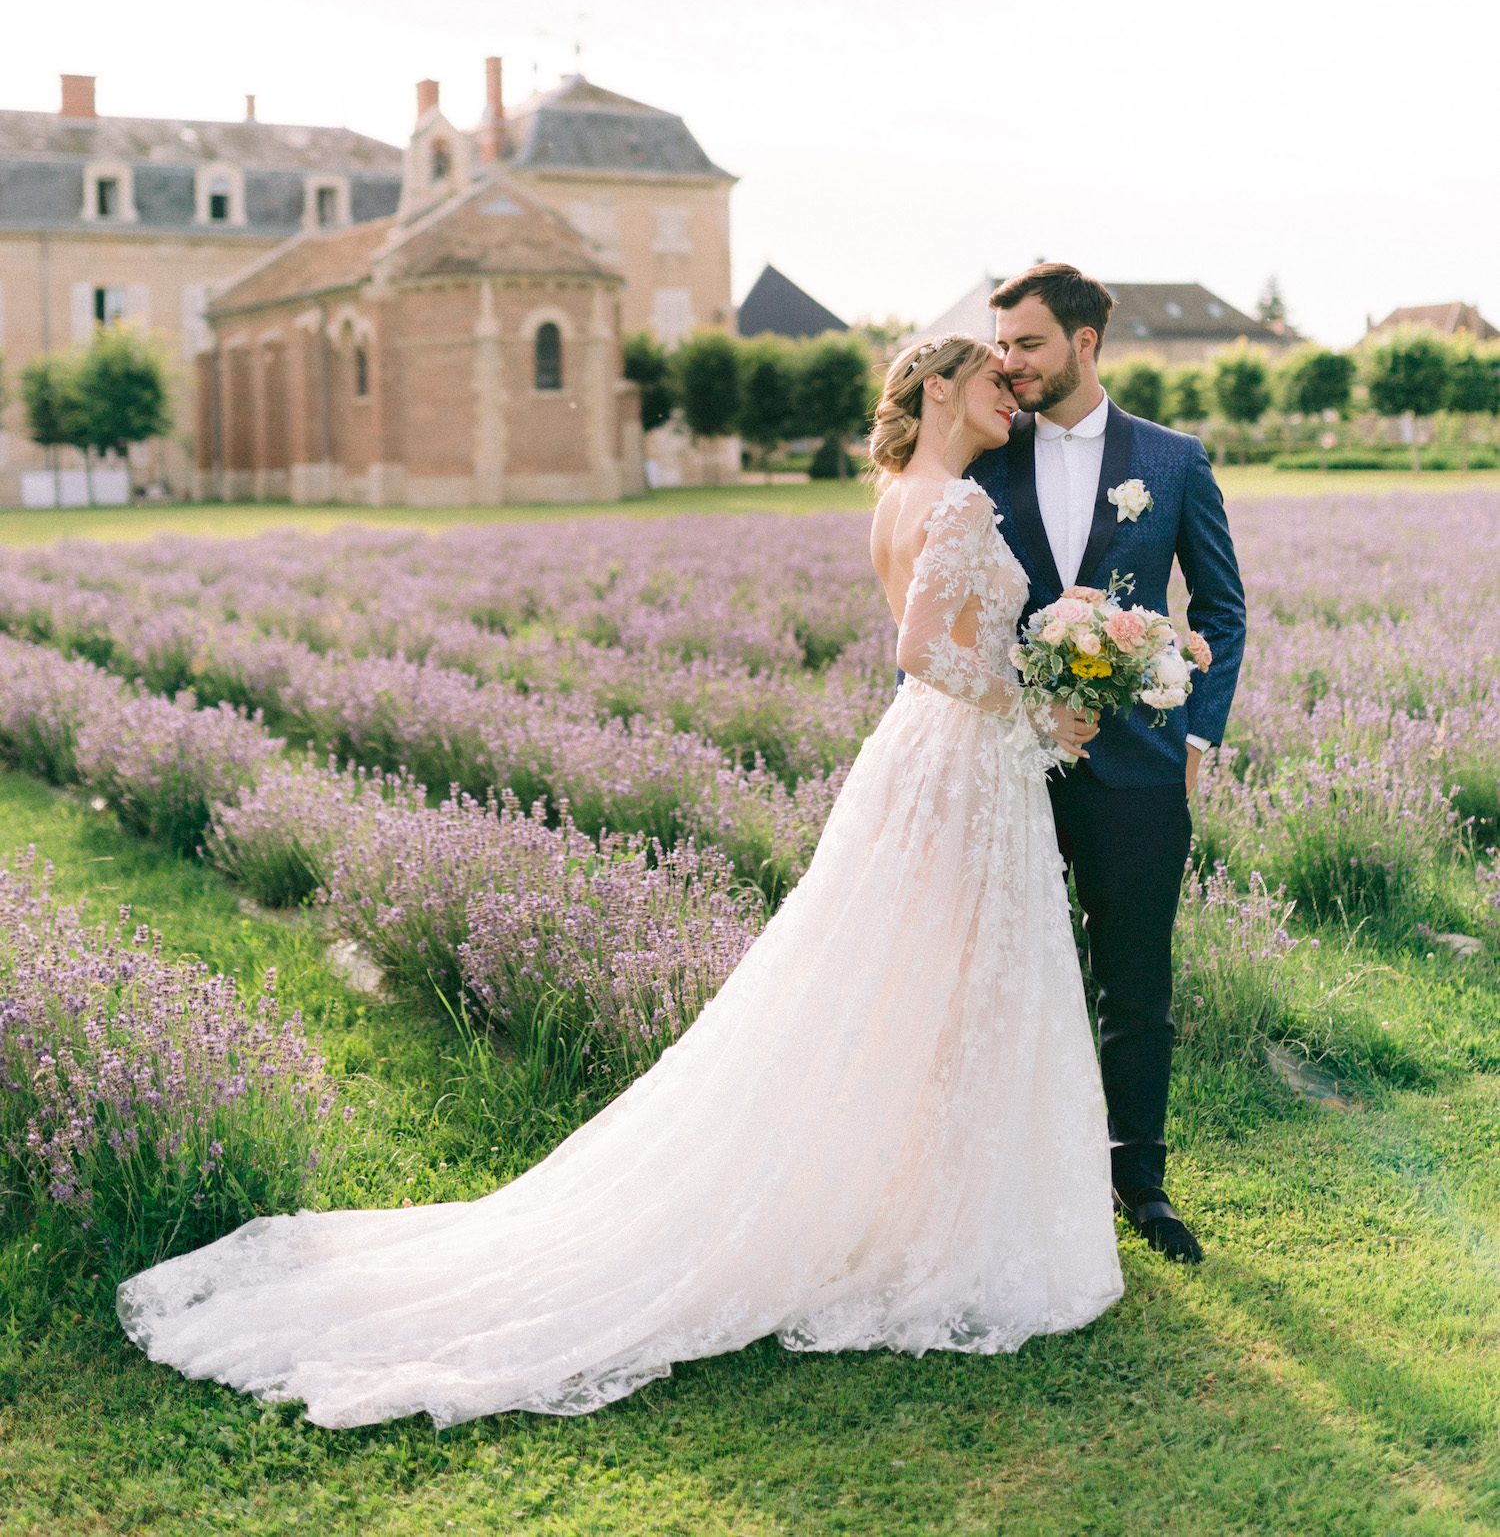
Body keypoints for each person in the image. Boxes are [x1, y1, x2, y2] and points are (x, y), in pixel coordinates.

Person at [117, 336, 1123, 1431]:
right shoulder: (961, 506)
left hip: (931, 760)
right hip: (962, 762)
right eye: (993, 382)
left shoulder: (904, 495)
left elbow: (931, 649)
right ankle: (941, 1224)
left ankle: (919, 1201)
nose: (1011, 396)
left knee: (914, 980)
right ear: (939, 390)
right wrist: (1039, 700)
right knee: (954, 978)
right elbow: (926, 649)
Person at [970, 264, 1246, 1263]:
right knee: (1008, 975)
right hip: (1007, 767)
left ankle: (1142, 1182)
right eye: (1002, 343)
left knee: (1136, 983)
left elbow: (1221, 610)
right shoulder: (981, 459)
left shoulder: (1173, 461)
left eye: (1028, 343)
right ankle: (1011, 1177)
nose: (1010, 363)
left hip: (1141, 770)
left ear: (1086, 344)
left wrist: (1197, 738)